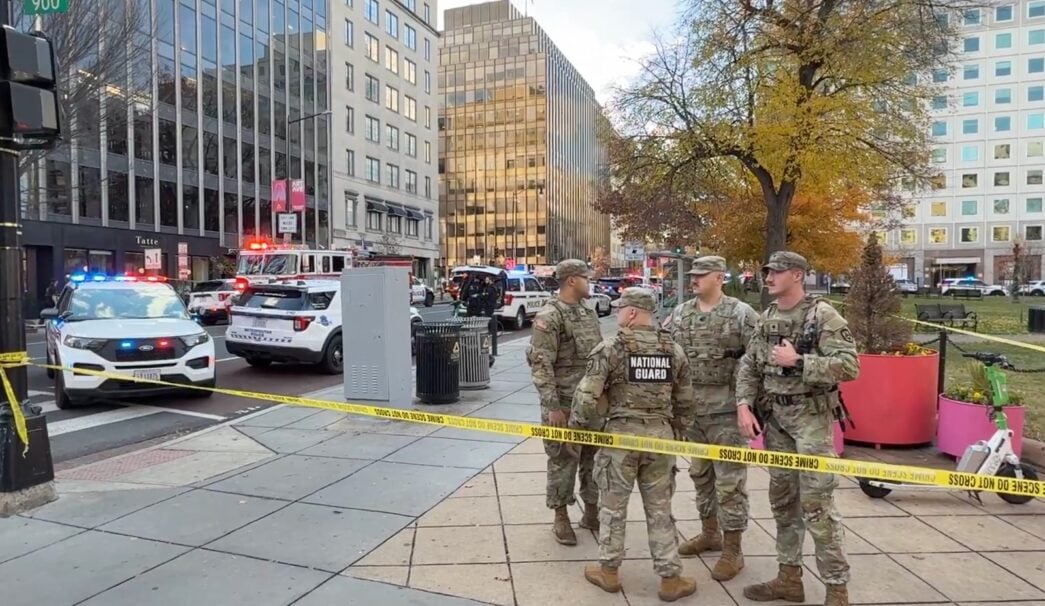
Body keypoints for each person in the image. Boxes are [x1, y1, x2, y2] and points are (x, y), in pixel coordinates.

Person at [735, 251, 860, 606]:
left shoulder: (822, 316)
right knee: (784, 502)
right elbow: (749, 365)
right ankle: (789, 578)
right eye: (767, 271)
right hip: (777, 424)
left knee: (818, 506)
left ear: (797, 275)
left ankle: (837, 590)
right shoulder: (768, 317)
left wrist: (800, 361)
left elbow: (850, 366)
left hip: (811, 422)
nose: (768, 277)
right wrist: (743, 404)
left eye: (776, 272)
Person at [570, 287, 697, 602]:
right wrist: (679, 432)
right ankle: (670, 578)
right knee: (660, 509)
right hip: (660, 438)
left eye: (620, 308)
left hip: (621, 440)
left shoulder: (610, 349)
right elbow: (686, 401)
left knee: (613, 507)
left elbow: (586, 397)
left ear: (631, 312)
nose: (617, 314)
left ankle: (609, 572)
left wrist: (578, 428)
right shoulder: (674, 350)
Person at [664, 255, 758, 581]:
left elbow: (757, 359)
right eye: (692, 275)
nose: (694, 280)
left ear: (719, 277)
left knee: (730, 483)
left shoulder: (741, 314)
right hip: (694, 413)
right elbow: (665, 352)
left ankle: (733, 549)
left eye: (701, 275)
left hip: (727, 413)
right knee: (701, 476)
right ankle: (710, 532)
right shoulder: (680, 313)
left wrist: (749, 404)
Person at [526, 259, 603, 545]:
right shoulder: (550, 315)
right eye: (586, 277)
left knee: (593, 459)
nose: (590, 281)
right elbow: (540, 364)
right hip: (564, 404)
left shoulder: (587, 312)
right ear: (572, 280)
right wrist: (552, 406)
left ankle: (592, 512)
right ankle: (561, 517)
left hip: (590, 403)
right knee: (562, 460)